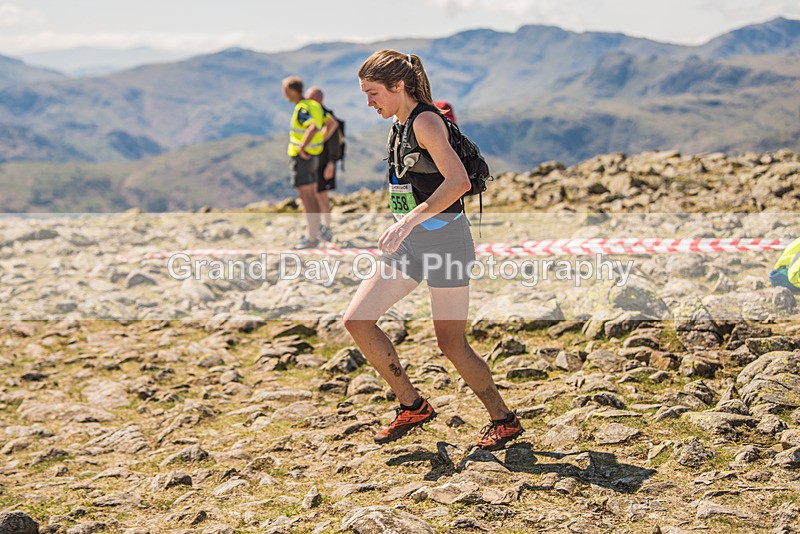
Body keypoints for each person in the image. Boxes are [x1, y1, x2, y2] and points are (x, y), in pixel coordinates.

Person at [343, 49, 524, 451]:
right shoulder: (399, 123)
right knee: (357, 320)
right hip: (412, 243)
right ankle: (412, 404)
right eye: (365, 94)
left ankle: (503, 419)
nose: (368, 102)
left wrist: (407, 220)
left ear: (398, 86)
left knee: (451, 343)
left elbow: (458, 181)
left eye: (373, 93)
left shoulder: (425, 121)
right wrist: (403, 223)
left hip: (446, 243)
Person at [282, 76, 326, 249]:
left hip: (303, 158)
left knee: (306, 199)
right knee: (312, 197)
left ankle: (312, 238)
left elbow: (313, 126)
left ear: (292, 90)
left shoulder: (302, 108)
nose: (284, 94)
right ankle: (314, 234)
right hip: (314, 156)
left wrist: (302, 147)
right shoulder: (313, 105)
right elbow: (327, 124)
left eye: (285, 90)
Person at [305, 87, 341, 242]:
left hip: (324, 164)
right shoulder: (313, 117)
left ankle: (327, 229)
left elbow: (334, 143)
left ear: (318, 100)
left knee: (322, 197)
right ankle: (316, 229)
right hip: (312, 164)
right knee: (313, 196)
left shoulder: (328, 118)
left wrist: (331, 163)